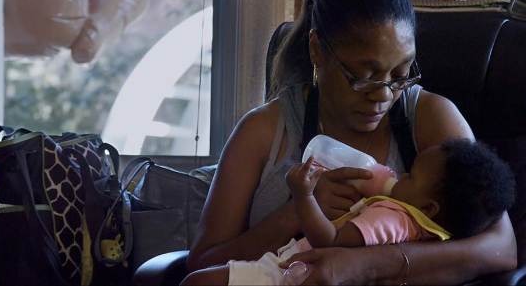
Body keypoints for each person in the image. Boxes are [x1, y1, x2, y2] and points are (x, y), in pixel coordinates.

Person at [185, 0, 517, 285]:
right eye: (364, 76)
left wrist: (363, 265)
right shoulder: (263, 131)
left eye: (400, 75)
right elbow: (201, 266)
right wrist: (295, 214)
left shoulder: (429, 117)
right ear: (317, 50)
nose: (383, 96)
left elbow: (501, 248)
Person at [181, 139, 516, 285]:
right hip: (294, 268)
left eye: (410, 176)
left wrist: (303, 197)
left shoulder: (394, 217)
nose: (399, 176)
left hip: (295, 275)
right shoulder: (423, 227)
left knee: (199, 283)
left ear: (429, 208)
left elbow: (328, 239)